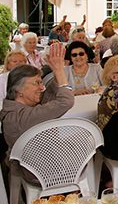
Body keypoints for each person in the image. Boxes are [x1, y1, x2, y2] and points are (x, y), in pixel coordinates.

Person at [0, 43, 74, 184]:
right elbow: (66, 101)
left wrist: (57, 70)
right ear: (19, 90)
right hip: (41, 173)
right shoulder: (20, 117)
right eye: (37, 83)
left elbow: (50, 93)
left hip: (40, 163)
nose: (41, 87)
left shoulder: (20, 108)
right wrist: (59, 70)